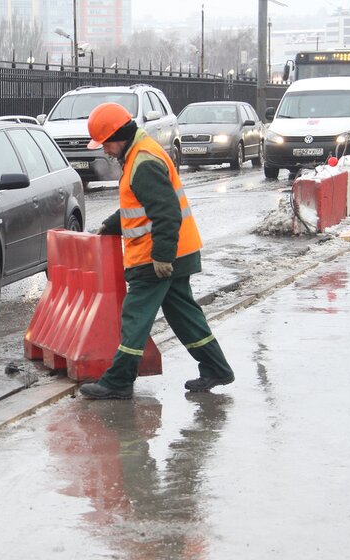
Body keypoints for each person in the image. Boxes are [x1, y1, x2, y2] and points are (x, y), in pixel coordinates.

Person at [79, 102, 235, 399]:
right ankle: (217, 368)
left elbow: (166, 213)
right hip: (177, 250)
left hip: (159, 255)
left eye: (106, 144)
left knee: (136, 315)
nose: (105, 151)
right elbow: (140, 207)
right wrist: (111, 225)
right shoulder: (139, 154)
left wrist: (162, 257)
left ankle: (119, 381)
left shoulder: (143, 162)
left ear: (118, 136)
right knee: (183, 314)